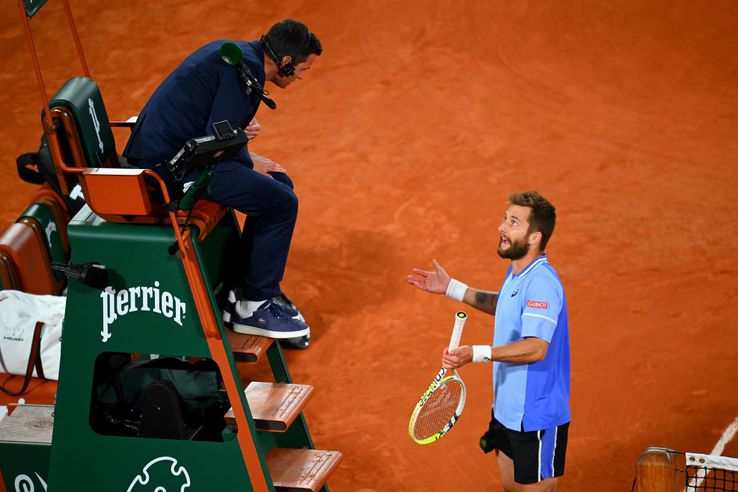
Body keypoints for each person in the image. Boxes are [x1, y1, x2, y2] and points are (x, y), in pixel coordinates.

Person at [122, 19, 322, 348]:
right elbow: (219, 138)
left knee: (279, 184)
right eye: (302, 69)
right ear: (285, 62)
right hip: (169, 170)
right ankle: (253, 305)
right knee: (282, 203)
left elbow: (219, 131)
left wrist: (246, 155)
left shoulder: (243, 58)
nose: (301, 76)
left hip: (180, 153)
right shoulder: (243, 71)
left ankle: (245, 287)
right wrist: (245, 156)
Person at [407, 191, 570, 491]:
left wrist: (475, 353)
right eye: (504, 219)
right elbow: (507, 305)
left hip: (535, 416)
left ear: (535, 237)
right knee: (510, 486)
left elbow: (537, 348)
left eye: (513, 223)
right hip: (506, 409)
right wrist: (452, 288)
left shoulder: (542, 283)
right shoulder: (519, 274)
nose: (502, 227)